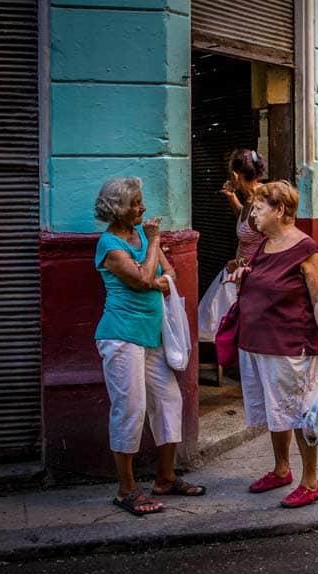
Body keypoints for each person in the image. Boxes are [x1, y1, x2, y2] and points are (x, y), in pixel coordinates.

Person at [94, 177, 205, 517]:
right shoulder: (109, 245)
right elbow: (143, 279)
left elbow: (165, 272)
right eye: (136, 203)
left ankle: (165, 478)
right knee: (130, 408)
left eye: (142, 201)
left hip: (152, 335)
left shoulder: (140, 235)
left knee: (169, 400)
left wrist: (160, 273)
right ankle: (126, 489)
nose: (142, 208)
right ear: (117, 209)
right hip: (121, 336)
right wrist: (155, 248)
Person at [226, 180, 318, 508]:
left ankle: (311, 481)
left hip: (291, 347)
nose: (253, 215)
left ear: (281, 210)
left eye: (259, 209)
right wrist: (245, 275)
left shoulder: (306, 250)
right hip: (259, 345)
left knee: (301, 415)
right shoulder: (263, 245)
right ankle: (281, 469)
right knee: (277, 411)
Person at [198, 149, 266, 342]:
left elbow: (272, 242)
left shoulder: (261, 203)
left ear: (235, 175)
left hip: (253, 275)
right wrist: (231, 197)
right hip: (242, 273)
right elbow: (246, 225)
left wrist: (243, 263)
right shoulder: (250, 198)